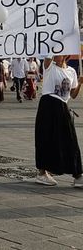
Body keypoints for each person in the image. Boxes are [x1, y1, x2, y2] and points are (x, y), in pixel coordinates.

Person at [35, 55, 83, 187]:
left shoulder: (71, 71)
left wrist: (80, 82)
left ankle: (77, 174)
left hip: (62, 106)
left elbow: (72, 95)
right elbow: (48, 53)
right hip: (48, 104)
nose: (56, 54)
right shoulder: (50, 67)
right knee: (45, 138)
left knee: (70, 140)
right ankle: (42, 173)